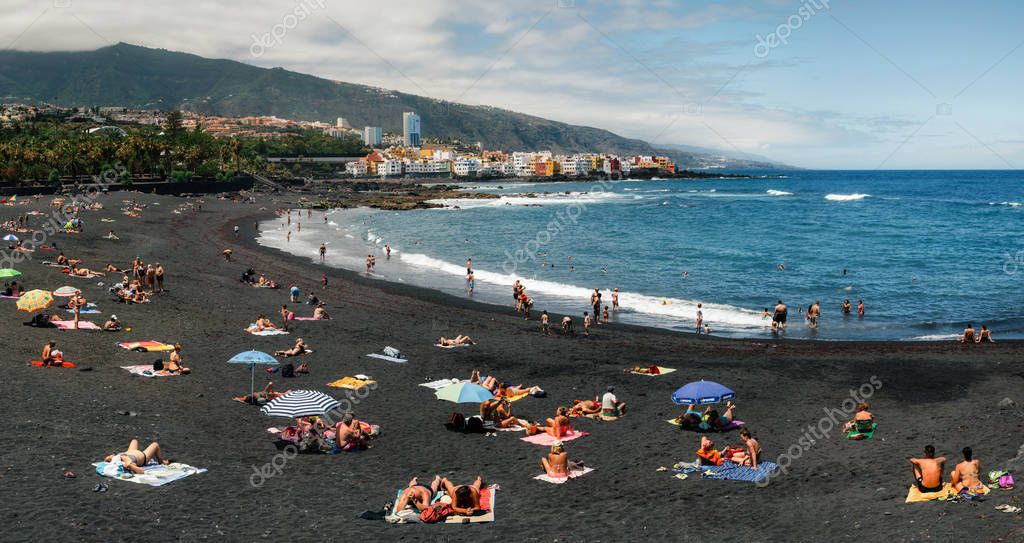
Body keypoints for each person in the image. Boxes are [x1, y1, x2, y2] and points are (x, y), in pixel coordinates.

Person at [103, 440, 168, 474]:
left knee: (134, 441)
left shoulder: (115, 458)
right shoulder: (128, 463)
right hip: (143, 456)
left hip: (131, 452)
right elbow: (141, 471)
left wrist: (109, 458)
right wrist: (131, 467)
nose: (111, 455)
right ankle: (161, 461)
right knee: (155, 445)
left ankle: (161, 461)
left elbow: (106, 459)